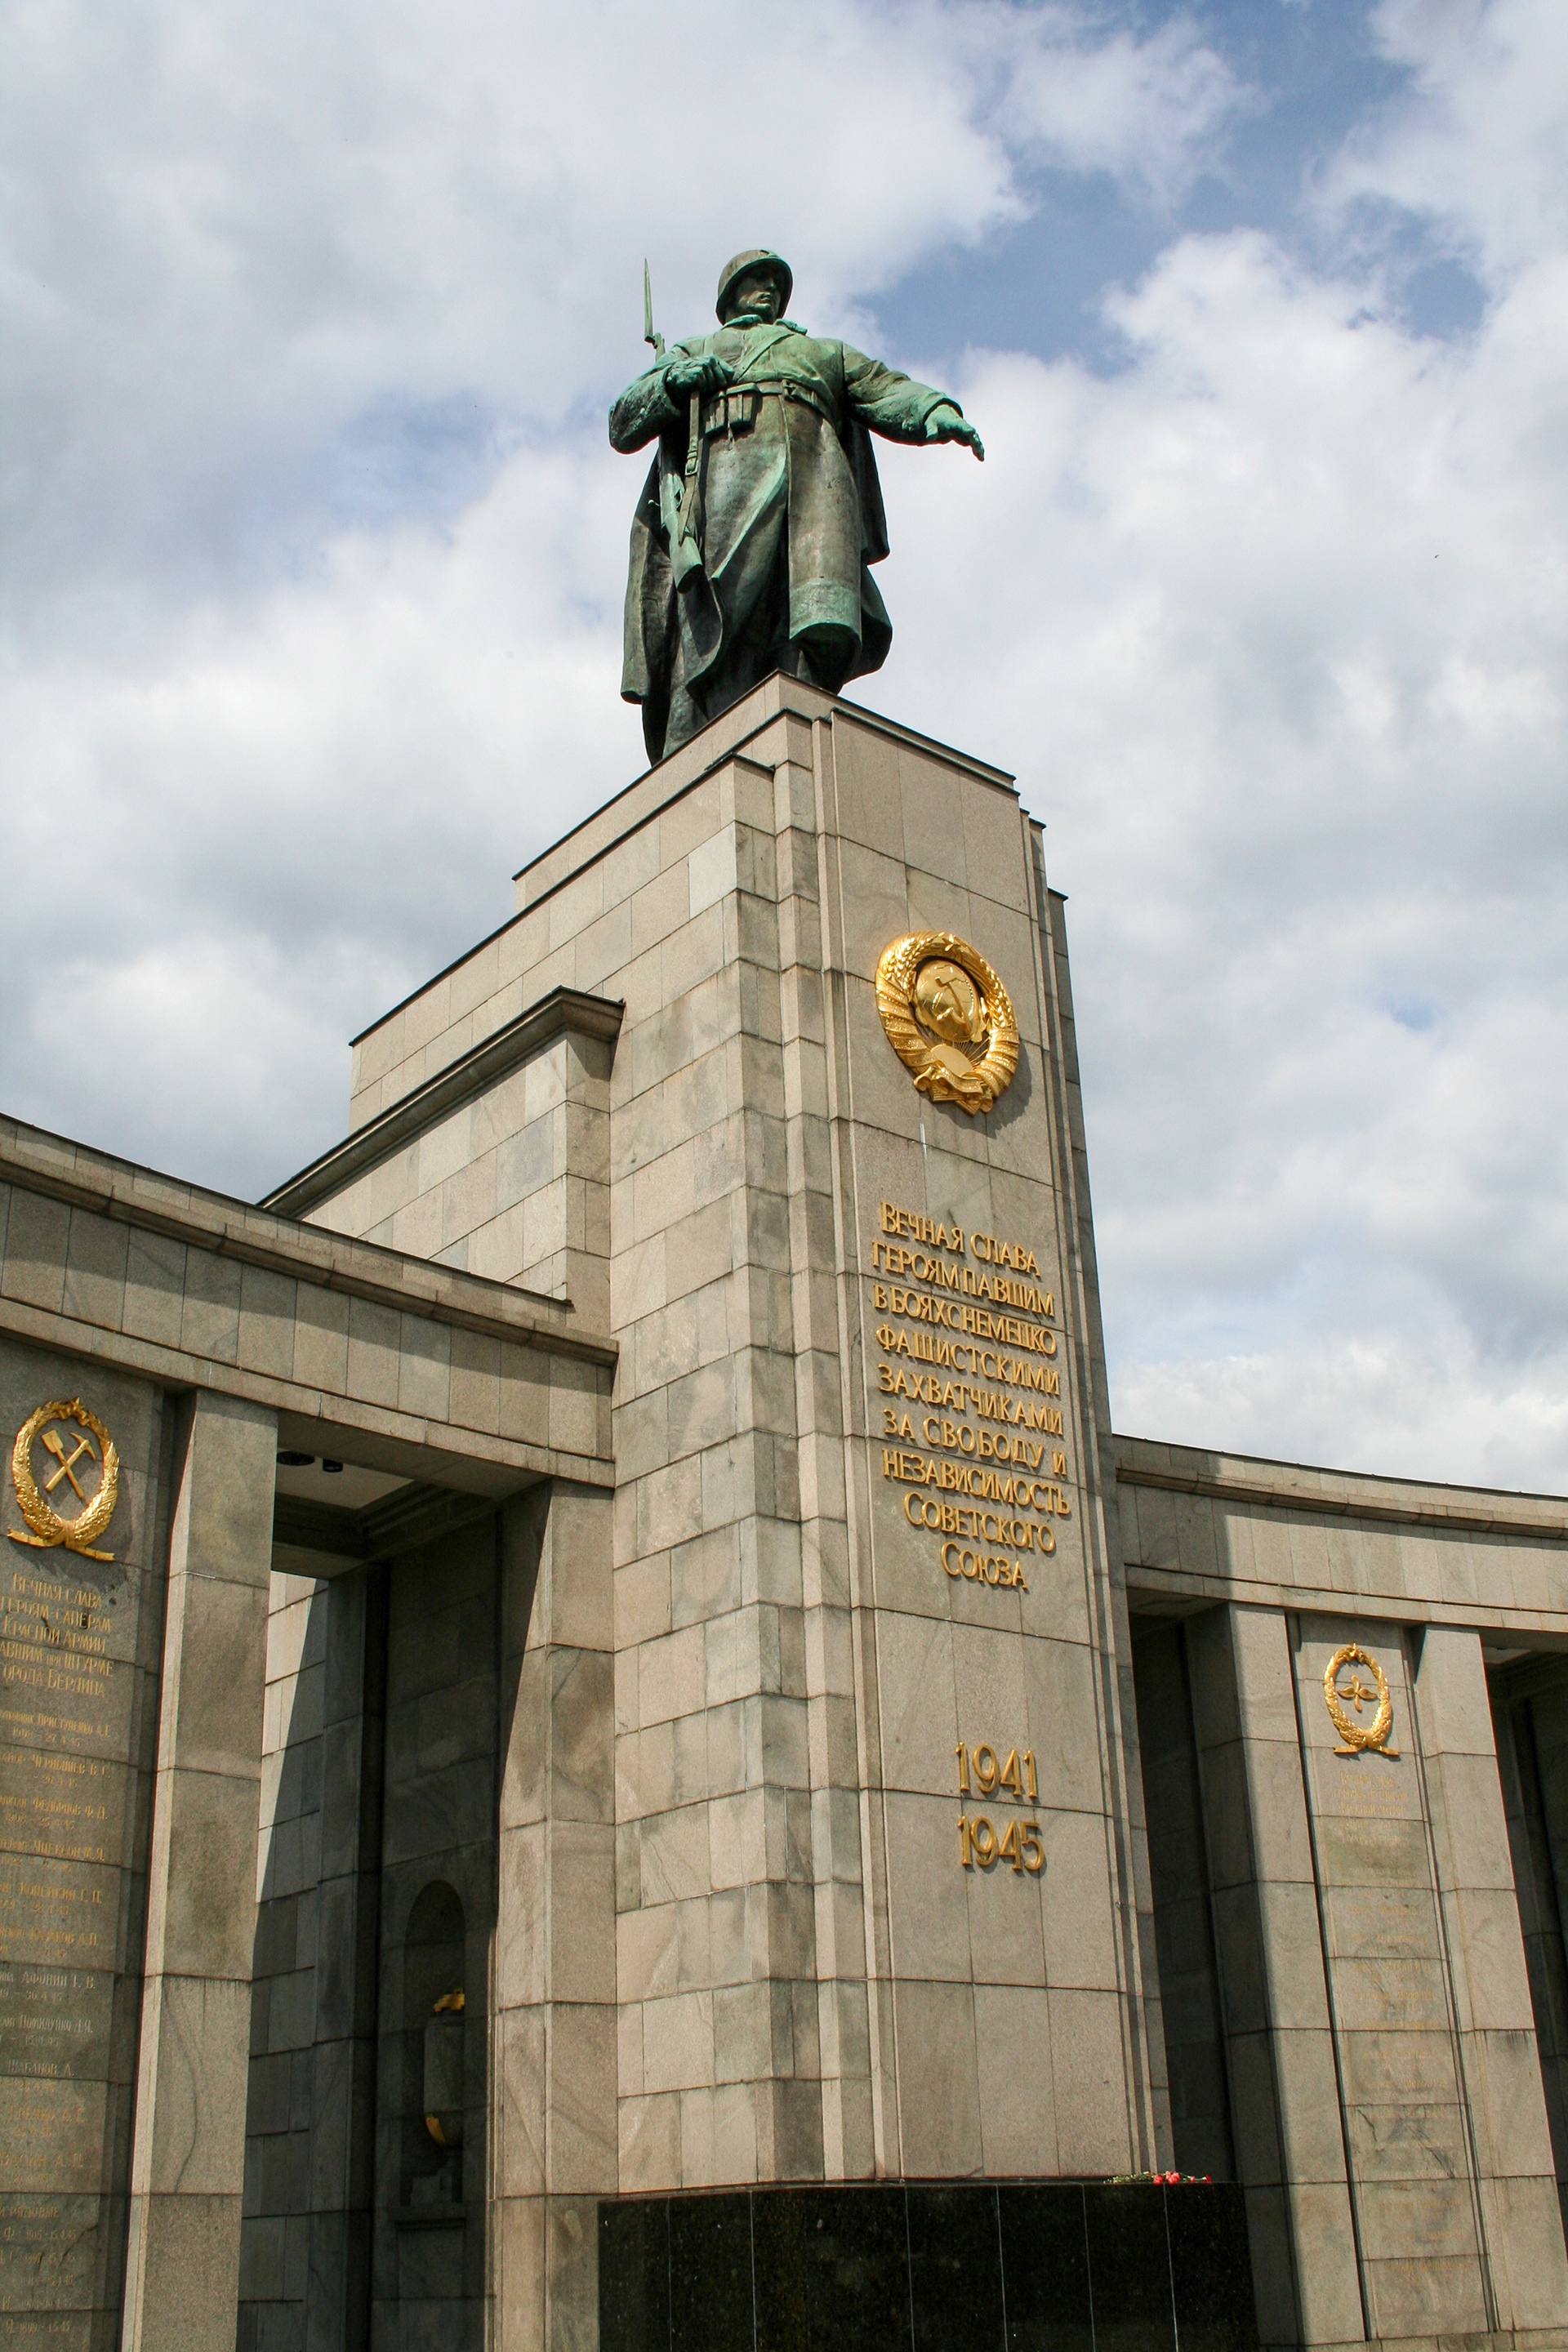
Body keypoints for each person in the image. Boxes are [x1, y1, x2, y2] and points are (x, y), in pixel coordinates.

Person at [611, 248, 983, 764]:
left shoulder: (822, 352)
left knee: (809, 629)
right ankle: (693, 753)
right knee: (715, 626)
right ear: (729, 295)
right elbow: (624, 421)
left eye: (775, 280)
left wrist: (935, 410)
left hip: (815, 490)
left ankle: (796, 744)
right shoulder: (694, 349)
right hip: (727, 486)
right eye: (755, 278)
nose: (769, 287)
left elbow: (884, 388)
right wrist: (673, 381)